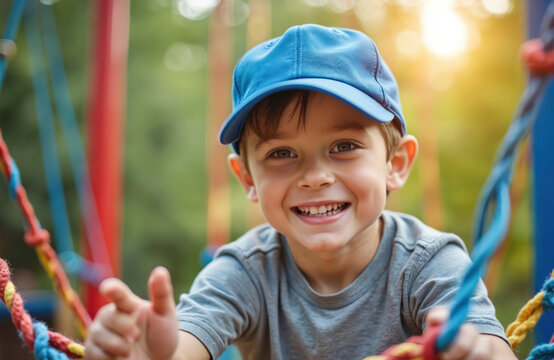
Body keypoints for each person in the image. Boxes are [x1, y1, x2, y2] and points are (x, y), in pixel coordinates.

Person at [84, 24, 516, 360]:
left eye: (343, 147)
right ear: (248, 180)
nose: (315, 176)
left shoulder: (428, 262)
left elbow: (491, 347)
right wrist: (154, 352)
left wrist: (475, 349)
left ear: (395, 164)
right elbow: (184, 343)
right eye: (282, 153)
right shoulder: (247, 271)